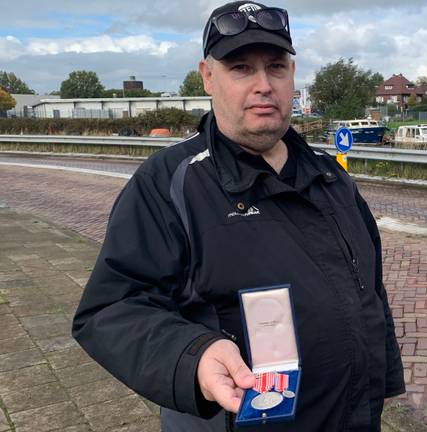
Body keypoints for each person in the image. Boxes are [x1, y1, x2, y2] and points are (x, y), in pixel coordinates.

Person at [71, 2, 405, 430]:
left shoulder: (331, 179)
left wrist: (383, 381)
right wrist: (193, 355)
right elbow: (111, 309)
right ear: (208, 77)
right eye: (242, 68)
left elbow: (369, 293)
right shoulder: (168, 184)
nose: (264, 85)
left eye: (277, 67)